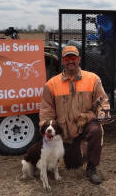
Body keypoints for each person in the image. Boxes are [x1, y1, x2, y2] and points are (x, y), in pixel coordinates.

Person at [39, 45, 110, 185]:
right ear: (62, 61)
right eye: (67, 58)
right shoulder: (51, 84)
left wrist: (103, 113)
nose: (70, 61)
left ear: (79, 59)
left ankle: (92, 168)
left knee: (95, 130)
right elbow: (47, 111)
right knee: (73, 165)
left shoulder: (93, 79)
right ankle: (63, 158)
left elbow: (102, 101)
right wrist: (46, 130)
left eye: (73, 58)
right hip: (64, 131)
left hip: (84, 124)